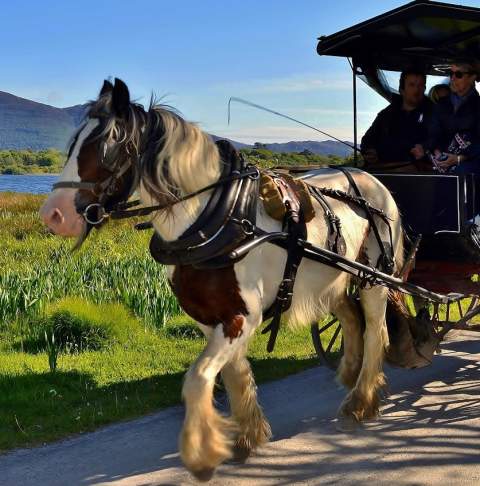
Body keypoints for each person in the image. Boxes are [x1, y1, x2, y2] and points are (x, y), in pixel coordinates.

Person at [361, 70, 431, 169]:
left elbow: (439, 140)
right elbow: (368, 139)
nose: (417, 89)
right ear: (401, 89)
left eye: (420, 85)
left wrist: (425, 148)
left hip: (417, 173)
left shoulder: (434, 114)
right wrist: (369, 151)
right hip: (382, 170)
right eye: (412, 85)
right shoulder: (386, 114)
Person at [425, 62, 480, 174]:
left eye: (458, 74)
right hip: (440, 163)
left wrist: (460, 158)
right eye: (451, 74)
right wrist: (437, 153)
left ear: (472, 78)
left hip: (470, 167)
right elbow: (433, 133)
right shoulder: (441, 104)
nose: (453, 78)